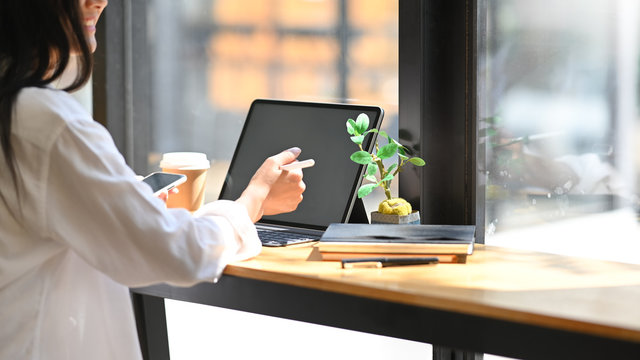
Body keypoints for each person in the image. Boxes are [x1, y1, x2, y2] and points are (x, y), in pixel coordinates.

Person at [0, 0, 307, 358]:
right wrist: (249, 205)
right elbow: (174, 252)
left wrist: (131, 204)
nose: (100, 2)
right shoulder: (48, 124)